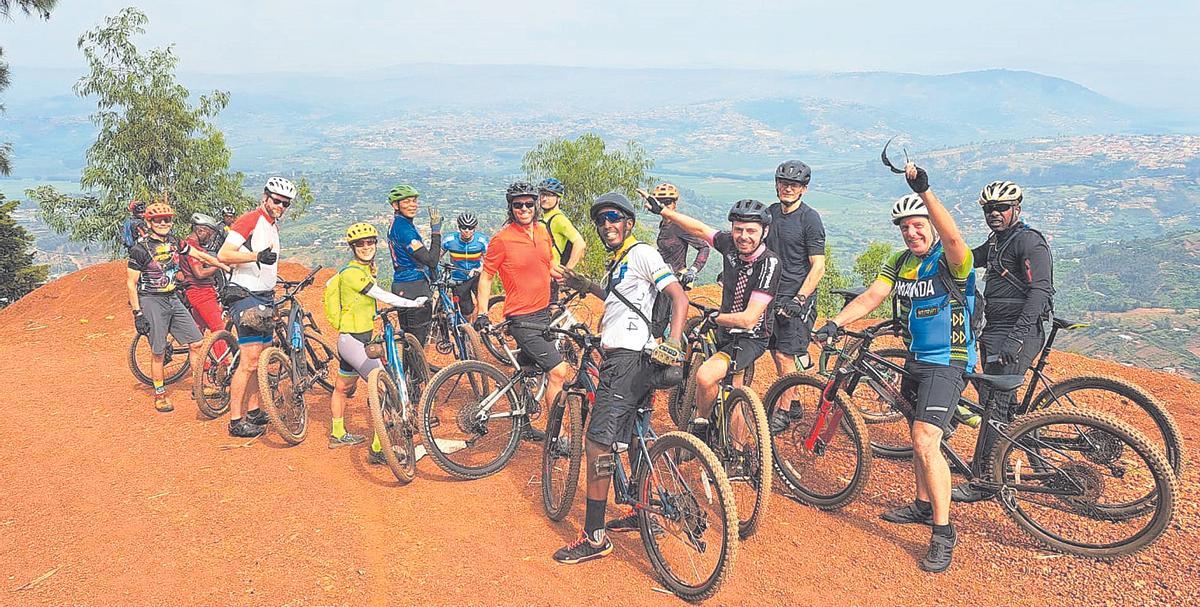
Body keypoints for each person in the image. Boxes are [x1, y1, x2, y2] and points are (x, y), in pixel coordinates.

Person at [812, 162, 976, 573]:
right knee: (914, 428)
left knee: (924, 439)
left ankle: (943, 532)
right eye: (905, 227)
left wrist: (926, 192)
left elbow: (953, 235)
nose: (912, 232)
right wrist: (835, 322)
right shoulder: (900, 261)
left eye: (918, 225)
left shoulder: (951, 259)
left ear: (930, 225)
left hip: (949, 360)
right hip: (917, 358)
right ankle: (923, 504)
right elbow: (871, 297)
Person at [552, 192, 689, 564]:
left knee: (598, 444)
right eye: (601, 221)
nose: (607, 225)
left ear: (628, 222)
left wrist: (675, 342)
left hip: (627, 362)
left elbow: (679, 297)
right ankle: (640, 507)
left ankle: (594, 537)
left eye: (614, 218)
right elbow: (618, 300)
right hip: (631, 357)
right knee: (633, 436)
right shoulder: (620, 263)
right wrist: (586, 285)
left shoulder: (642, 252)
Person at [642, 194, 780, 437]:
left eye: (751, 230)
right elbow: (699, 228)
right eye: (738, 230)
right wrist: (664, 211)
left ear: (764, 232)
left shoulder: (769, 264)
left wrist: (716, 318)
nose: (743, 236)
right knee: (731, 388)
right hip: (726, 331)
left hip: (750, 337)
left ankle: (702, 425)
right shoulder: (729, 244)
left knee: (707, 377)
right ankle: (734, 451)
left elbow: (749, 319)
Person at [953, 180, 1054, 503]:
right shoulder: (998, 242)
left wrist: (1016, 338)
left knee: (996, 404)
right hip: (995, 328)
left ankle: (984, 479)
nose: (994, 213)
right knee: (995, 402)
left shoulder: (1028, 242)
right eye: (988, 209)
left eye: (1001, 208)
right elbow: (968, 258)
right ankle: (1001, 460)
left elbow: (1041, 291)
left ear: (1017, 209)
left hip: (1018, 330)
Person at [473, 181, 570, 443]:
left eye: (529, 203)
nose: (524, 208)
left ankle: (523, 422)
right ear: (511, 208)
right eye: (518, 205)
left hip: (542, 314)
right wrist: (482, 312)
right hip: (522, 319)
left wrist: (571, 279)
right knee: (558, 371)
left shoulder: (542, 231)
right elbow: (486, 277)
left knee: (526, 371)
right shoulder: (502, 239)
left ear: (536, 205)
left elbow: (548, 265)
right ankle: (557, 436)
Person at [325, 223, 427, 456]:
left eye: (370, 242)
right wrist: (413, 303)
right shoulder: (352, 273)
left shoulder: (358, 270)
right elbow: (378, 294)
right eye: (360, 244)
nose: (366, 246)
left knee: (342, 387)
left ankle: (337, 434)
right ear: (352, 247)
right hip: (354, 341)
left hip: (351, 340)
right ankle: (379, 449)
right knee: (384, 387)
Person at [126, 201, 229, 412]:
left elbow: (197, 254)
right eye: (158, 220)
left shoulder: (174, 241)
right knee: (159, 351)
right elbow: (131, 283)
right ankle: (160, 394)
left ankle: (199, 386)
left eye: (167, 219)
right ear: (149, 221)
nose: (164, 223)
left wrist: (222, 264)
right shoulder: (140, 249)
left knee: (197, 342)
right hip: (151, 299)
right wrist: (137, 313)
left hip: (173, 298)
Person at [217, 176, 295, 438]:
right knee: (249, 361)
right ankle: (236, 420)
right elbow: (224, 254)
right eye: (276, 201)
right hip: (245, 296)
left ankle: (253, 411)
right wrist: (256, 256)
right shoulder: (250, 220)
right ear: (265, 197)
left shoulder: (272, 225)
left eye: (285, 204)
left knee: (261, 358)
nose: (280, 206)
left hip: (264, 297)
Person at [763, 160, 827, 435]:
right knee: (776, 353)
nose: (787, 188)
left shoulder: (809, 219)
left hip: (797, 297)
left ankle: (785, 411)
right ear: (777, 184)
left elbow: (818, 266)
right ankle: (796, 400)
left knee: (784, 354)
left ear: (804, 189)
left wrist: (800, 298)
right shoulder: (770, 214)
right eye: (783, 183)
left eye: (794, 185)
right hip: (771, 296)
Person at [386, 184, 442, 346]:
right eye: (406, 202)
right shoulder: (404, 229)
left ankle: (410, 370)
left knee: (410, 339)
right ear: (395, 205)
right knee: (417, 341)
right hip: (413, 286)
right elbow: (431, 259)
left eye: (414, 201)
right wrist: (436, 232)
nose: (412, 205)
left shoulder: (399, 223)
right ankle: (416, 371)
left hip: (403, 285)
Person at [177, 212, 229, 363]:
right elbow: (199, 273)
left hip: (193, 293)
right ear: (200, 230)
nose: (211, 237)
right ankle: (224, 364)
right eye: (210, 233)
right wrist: (218, 266)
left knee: (198, 331)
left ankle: (202, 365)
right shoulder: (192, 247)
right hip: (202, 293)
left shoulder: (186, 246)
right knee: (219, 330)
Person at [651, 183, 711, 288]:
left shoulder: (679, 226)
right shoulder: (664, 224)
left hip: (676, 279)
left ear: (675, 204)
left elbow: (704, 247)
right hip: (662, 276)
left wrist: (693, 270)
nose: (664, 206)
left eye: (668, 202)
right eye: (660, 202)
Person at [537, 178, 586, 299]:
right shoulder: (545, 218)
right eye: (542, 194)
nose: (544, 199)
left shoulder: (558, 219)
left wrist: (567, 272)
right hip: (540, 276)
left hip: (551, 277)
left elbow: (580, 243)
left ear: (558, 198)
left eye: (549, 195)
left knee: (548, 313)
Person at [441, 211, 489, 317]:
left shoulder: (481, 241)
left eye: (470, 227)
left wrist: (480, 269)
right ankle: (467, 329)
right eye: (464, 227)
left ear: (474, 228)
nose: (467, 230)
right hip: (459, 278)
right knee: (466, 311)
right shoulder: (449, 240)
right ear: (459, 227)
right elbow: (437, 257)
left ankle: (478, 328)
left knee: (482, 304)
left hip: (476, 275)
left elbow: (488, 260)